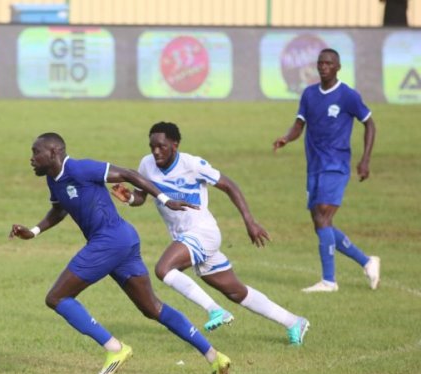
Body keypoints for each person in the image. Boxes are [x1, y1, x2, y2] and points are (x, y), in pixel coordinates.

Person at [9, 132, 231, 374]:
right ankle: (215, 356)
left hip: (109, 241)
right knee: (152, 308)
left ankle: (115, 348)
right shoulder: (53, 179)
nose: (31, 159)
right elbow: (59, 209)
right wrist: (34, 231)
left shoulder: (80, 169)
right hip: (123, 240)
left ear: (53, 153)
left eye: (36, 152)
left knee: (56, 298)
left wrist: (165, 199)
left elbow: (128, 174)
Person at [111, 121, 310, 345]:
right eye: (152, 146)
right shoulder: (147, 164)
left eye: (161, 146)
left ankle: (215, 310)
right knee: (235, 292)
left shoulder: (192, 164)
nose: (156, 151)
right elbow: (141, 196)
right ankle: (294, 321)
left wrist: (249, 221)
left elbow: (229, 185)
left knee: (164, 269)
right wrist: (129, 198)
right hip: (184, 238)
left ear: (175, 145)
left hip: (203, 233)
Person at [273, 48, 380, 293]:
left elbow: (370, 124)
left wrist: (365, 160)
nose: (323, 67)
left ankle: (329, 281)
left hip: (336, 164)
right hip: (314, 166)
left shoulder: (348, 96)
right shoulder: (309, 94)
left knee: (323, 215)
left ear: (338, 67)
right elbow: (299, 124)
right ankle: (367, 261)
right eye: (320, 63)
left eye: (328, 63)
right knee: (321, 222)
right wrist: (286, 138)